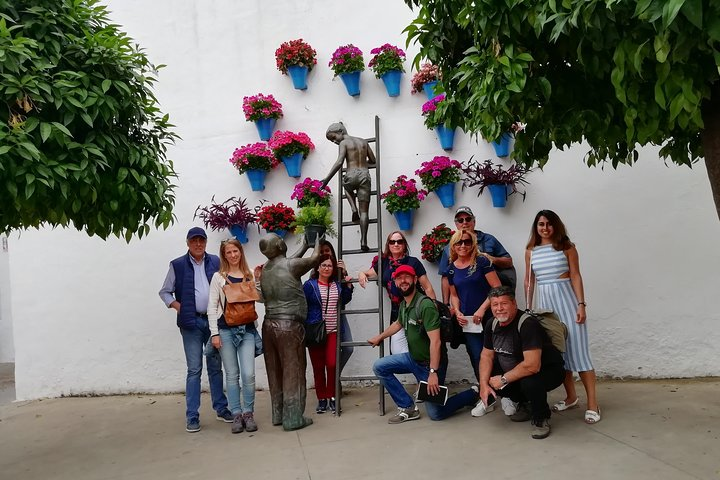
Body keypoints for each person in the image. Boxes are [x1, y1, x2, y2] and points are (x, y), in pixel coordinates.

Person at [369, 265, 478, 423]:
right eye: (399, 278)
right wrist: (380, 337)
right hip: (413, 359)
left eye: (407, 277)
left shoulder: (425, 305)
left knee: (436, 413)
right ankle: (408, 407)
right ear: (395, 282)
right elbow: (399, 323)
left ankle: (471, 394)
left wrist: (433, 372)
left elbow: (436, 341)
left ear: (414, 279)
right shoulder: (405, 304)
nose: (403, 281)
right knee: (380, 366)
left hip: (430, 366)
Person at [525, 210, 600, 424]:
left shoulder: (567, 247)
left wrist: (581, 304)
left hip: (567, 303)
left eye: (549, 224)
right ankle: (571, 397)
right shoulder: (530, 251)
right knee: (560, 353)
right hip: (546, 307)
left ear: (556, 225)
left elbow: (576, 275)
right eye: (541, 224)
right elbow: (529, 281)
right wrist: (529, 308)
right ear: (536, 227)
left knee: (580, 354)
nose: (545, 228)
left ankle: (593, 404)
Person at [158, 227, 232, 433]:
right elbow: (164, 291)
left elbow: (230, 282)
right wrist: (177, 305)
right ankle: (192, 416)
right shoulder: (178, 265)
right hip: (190, 324)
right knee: (194, 369)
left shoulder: (216, 262)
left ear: (206, 242)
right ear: (188, 243)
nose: (198, 244)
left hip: (213, 322)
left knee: (216, 366)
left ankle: (221, 408)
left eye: (201, 240)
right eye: (194, 241)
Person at [478, 286, 565, 439]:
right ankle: (525, 403)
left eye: (504, 303)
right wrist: (484, 384)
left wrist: (503, 379)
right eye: (495, 304)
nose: (499, 309)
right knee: (489, 376)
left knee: (529, 382)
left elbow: (532, 365)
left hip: (548, 370)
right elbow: (486, 356)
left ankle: (540, 417)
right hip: (518, 369)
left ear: (514, 304)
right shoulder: (491, 324)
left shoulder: (527, 324)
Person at [255, 233, 321, 431]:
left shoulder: (266, 268)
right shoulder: (291, 266)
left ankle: (278, 413)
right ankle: (293, 418)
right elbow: (314, 259)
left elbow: (288, 260)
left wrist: (303, 245)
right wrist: (317, 241)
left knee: (274, 370)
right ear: (281, 245)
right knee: (293, 371)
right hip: (289, 326)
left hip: (269, 325)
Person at [207, 238, 260, 434]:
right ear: (224, 255)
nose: (233, 255)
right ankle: (236, 413)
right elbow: (211, 307)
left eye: (235, 251)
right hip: (225, 330)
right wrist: (214, 334)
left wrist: (260, 281)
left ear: (240, 252)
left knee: (248, 374)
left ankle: (249, 412)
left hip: (246, 330)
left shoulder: (251, 274)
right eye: (228, 252)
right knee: (231, 375)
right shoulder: (218, 277)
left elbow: (260, 298)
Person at [358, 231, 436, 354]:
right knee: (396, 351)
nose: (396, 244)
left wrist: (433, 307)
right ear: (388, 245)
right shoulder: (383, 263)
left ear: (404, 244)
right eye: (392, 241)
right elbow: (368, 272)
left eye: (399, 241)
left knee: (421, 345)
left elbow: (428, 288)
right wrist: (361, 274)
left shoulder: (413, 262)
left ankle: (426, 370)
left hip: (416, 307)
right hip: (397, 310)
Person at [446, 230, 501, 383]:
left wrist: (482, 309)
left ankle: (504, 392)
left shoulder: (482, 262)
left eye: (467, 242)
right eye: (459, 242)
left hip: (489, 316)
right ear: (454, 245)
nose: (463, 245)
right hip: (469, 322)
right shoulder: (451, 268)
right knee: (477, 355)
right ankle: (485, 392)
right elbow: (454, 295)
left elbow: (496, 287)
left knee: (496, 354)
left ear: (473, 244)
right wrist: (457, 311)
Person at [303, 254, 354, 414]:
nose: (326, 268)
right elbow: (303, 305)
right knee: (318, 367)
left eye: (330, 266)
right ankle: (321, 399)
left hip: (333, 331)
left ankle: (332, 396)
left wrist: (346, 279)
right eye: (323, 265)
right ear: (317, 268)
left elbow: (344, 299)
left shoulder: (336, 285)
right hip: (315, 332)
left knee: (332, 365)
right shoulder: (309, 286)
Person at [438, 206, 515, 303]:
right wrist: (446, 304)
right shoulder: (449, 248)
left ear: (474, 221)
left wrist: (491, 259)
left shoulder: (488, 239)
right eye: (460, 220)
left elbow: (509, 262)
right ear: (456, 224)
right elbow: (445, 277)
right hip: (465, 299)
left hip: (492, 297)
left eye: (468, 219)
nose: (464, 222)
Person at [322, 122, 376, 252]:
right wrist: (363, 164)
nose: (335, 141)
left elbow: (340, 162)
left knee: (346, 187)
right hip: (364, 175)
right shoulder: (363, 141)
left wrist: (326, 180)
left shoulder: (344, 143)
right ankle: (363, 240)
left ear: (340, 131)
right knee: (365, 212)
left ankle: (353, 208)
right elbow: (373, 160)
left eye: (334, 137)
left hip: (351, 175)